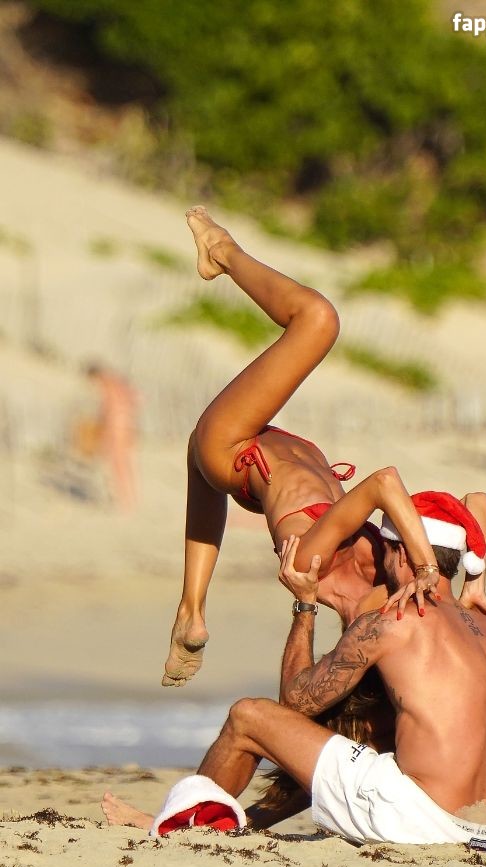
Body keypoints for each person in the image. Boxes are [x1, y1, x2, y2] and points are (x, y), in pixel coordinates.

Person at [103, 492, 486, 850]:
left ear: (400, 553)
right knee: (362, 741)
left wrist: (304, 604)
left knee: (249, 717)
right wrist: (476, 581)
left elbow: (297, 703)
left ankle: (179, 827)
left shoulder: (394, 620)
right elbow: (477, 500)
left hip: (418, 822)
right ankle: (235, 825)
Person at [163, 206, 443, 688]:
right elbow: (473, 506)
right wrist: (473, 584)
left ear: (364, 619)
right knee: (198, 460)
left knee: (317, 319)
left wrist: (425, 567)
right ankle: (190, 612)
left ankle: (222, 251)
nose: (405, 599)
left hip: (232, 445)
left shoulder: (312, 561)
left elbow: (384, 482)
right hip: (247, 457)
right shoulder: (374, 563)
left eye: (398, 607)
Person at [83, 363, 139, 511]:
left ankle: (123, 501)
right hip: (127, 426)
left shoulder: (106, 384)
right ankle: (130, 498)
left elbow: (107, 409)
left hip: (115, 429)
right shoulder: (117, 381)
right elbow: (136, 399)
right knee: (127, 463)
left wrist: (100, 425)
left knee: (117, 464)